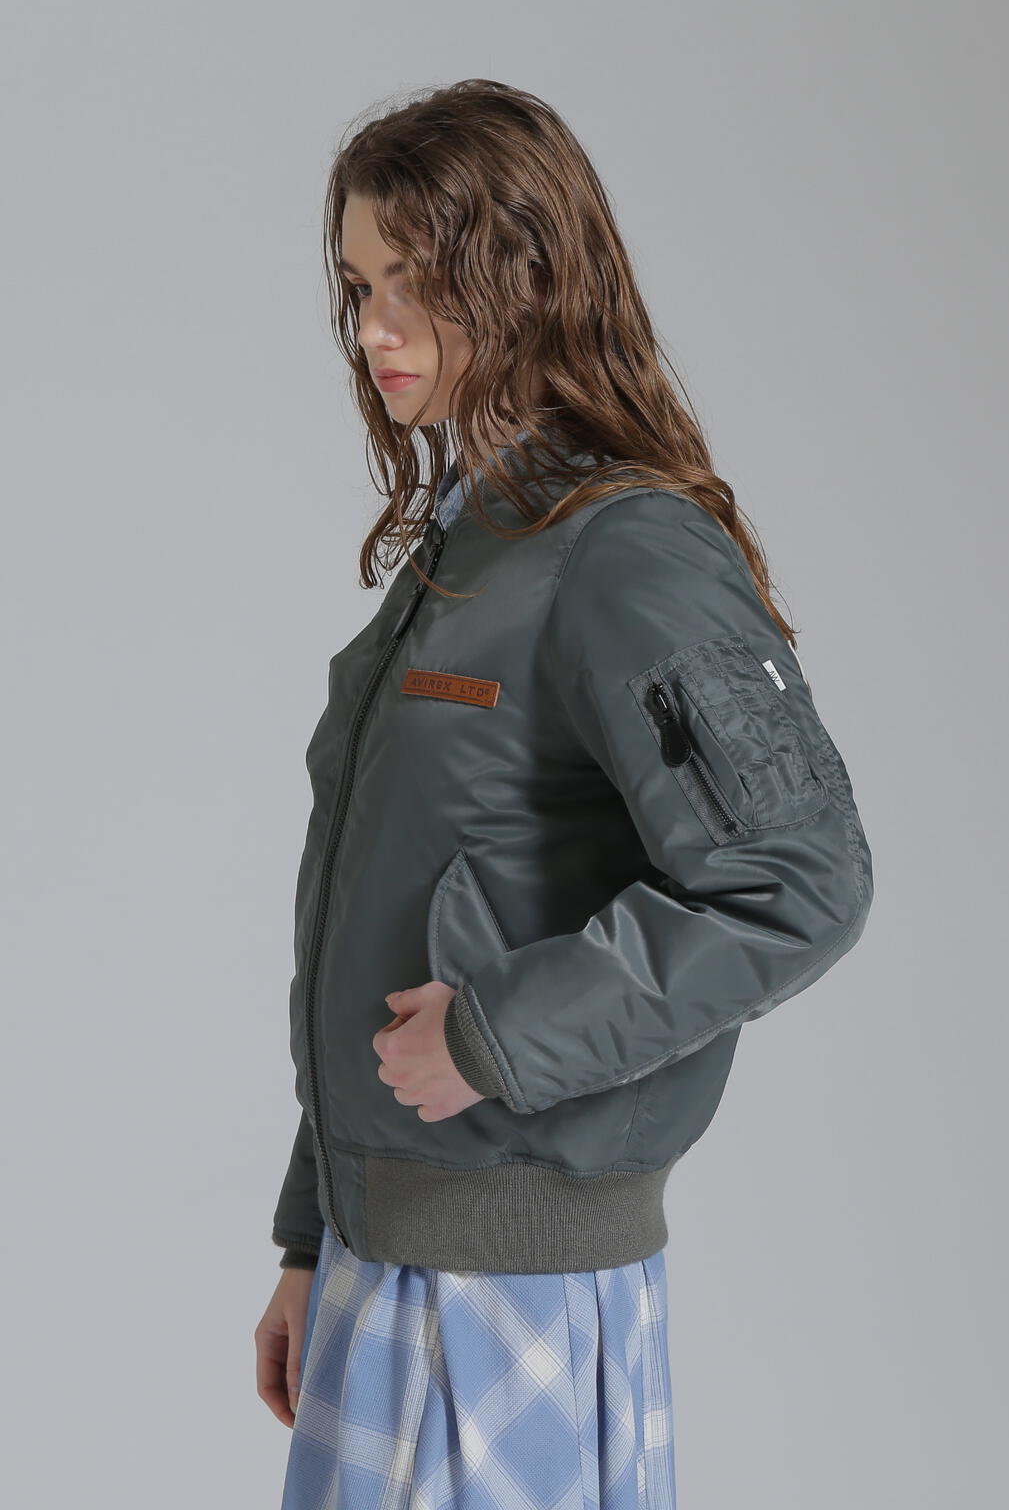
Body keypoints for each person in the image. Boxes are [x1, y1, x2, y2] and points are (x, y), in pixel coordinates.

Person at [253, 78, 874, 1509]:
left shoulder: (624, 549)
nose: (376, 328)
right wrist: (312, 1236)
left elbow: (801, 880)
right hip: (390, 1257)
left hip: (503, 1295)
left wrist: (498, 1036)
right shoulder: (472, 548)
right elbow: (384, 901)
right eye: (359, 286)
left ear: (526, 277)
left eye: (417, 283)